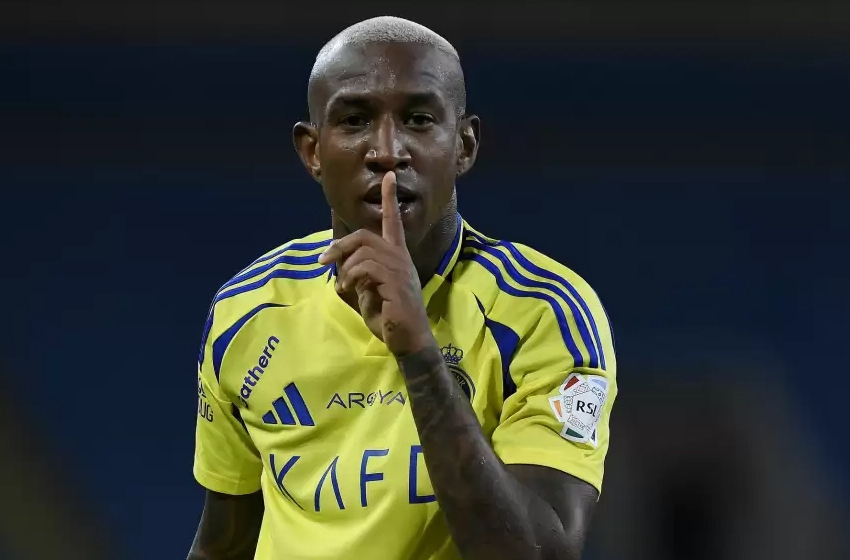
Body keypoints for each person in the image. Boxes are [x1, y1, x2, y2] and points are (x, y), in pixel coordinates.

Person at [188, 15, 616, 560]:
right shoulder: (247, 310)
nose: (387, 150)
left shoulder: (543, 311)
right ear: (312, 152)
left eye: (418, 119)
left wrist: (419, 354)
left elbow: (539, 553)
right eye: (354, 120)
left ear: (464, 145)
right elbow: (222, 546)